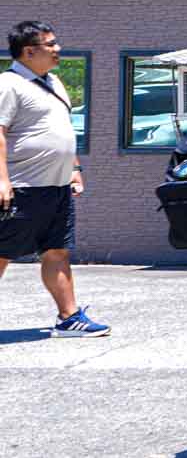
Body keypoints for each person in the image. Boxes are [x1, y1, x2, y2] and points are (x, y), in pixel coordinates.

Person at [0, 20, 108, 337]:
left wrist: (74, 169)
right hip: (22, 187)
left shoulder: (54, 83)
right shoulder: (8, 84)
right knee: (2, 253)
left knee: (57, 250)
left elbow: (63, 129)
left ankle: (69, 317)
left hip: (56, 186)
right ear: (29, 51)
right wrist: (2, 180)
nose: (57, 49)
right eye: (50, 44)